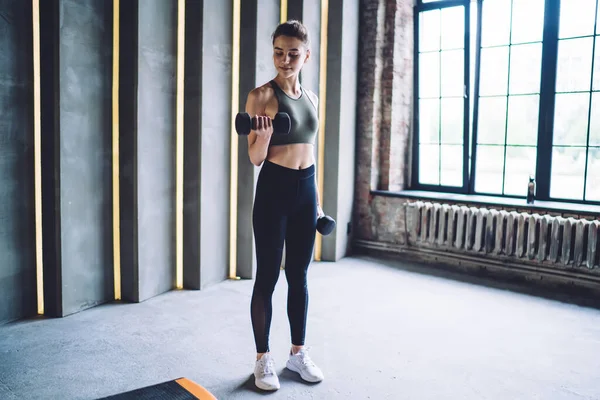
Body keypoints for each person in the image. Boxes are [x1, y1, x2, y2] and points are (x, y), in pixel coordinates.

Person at [245, 20, 325, 391]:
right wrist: (262, 136)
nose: (285, 59)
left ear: (306, 55)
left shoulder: (312, 99)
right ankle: (262, 360)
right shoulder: (261, 96)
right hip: (275, 190)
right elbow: (256, 159)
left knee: (300, 275)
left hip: (305, 191)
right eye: (279, 52)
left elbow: (311, 151)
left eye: (293, 53)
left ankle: (297, 353)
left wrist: (318, 202)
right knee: (267, 277)